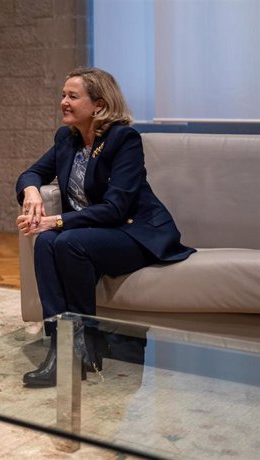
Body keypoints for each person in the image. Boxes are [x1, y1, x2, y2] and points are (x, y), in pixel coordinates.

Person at [15, 67, 194, 388]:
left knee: (68, 242)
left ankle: (86, 344)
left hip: (134, 233)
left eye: (72, 96)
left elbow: (115, 209)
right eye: (63, 95)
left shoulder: (124, 139)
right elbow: (31, 173)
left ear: (98, 104)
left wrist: (56, 220)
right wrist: (30, 191)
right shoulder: (66, 139)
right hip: (88, 233)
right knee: (44, 243)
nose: (63, 102)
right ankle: (60, 348)